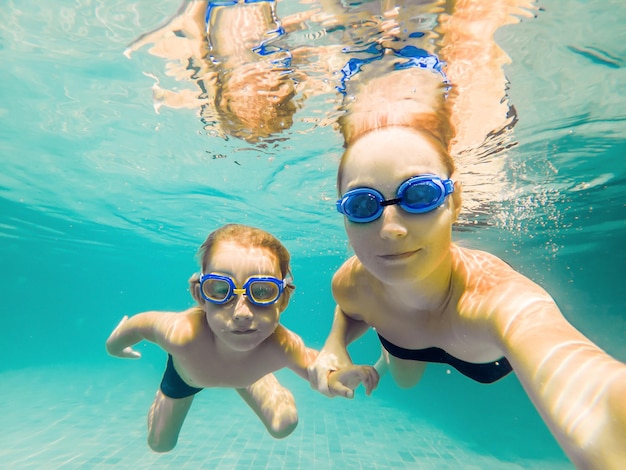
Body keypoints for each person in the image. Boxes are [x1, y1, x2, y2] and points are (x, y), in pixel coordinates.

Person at [307, 1, 626, 468]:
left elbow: (594, 393)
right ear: (343, 217)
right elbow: (349, 306)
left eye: (419, 196)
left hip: (476, 354)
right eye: (362, 205)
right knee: (404, 377)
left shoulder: (501, 302)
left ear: (454, 201)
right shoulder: (351, 281)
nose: (390, 229)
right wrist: (334, 345)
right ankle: (390, 356)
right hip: (401, 343)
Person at [106, 224, 377, 452]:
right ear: (200, 295)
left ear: (282, 300)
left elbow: (316, 368)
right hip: (187, 376)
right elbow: (140, 325)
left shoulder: (281, 345)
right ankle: (244, 375)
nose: (242, 313)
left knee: (285, 424)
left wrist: (334, 378)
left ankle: (253, 378)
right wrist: (116, 344)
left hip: (250, 373)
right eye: (220, 290)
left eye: (261, 291)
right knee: (160, 444)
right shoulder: (182, 335)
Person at [124, 0, 343, 144]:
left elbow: (190, 23)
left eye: (244, 86)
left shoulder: (207, 54)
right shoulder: (281, 53)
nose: (258, 78)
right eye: (272, 86)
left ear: (223, 91)